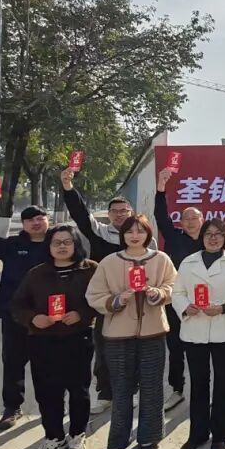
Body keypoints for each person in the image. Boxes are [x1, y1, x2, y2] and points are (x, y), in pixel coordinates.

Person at [86, 215, 177, 449]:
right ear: (122, 235)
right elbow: (94, 294)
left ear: (148, 234)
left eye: (140, 231)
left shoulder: (161, 259)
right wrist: (116, 300)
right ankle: (118, 438)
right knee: (121, 388)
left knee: (152, 386)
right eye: (129, 231)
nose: (135, 236)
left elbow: (174, 286)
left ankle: (149, 435)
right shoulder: (110, 262)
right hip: (118, 334)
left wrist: (159, 294)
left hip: (153, 331)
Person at [10, 225, 99, 449]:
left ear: (76, 244)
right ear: (48, 246)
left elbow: (101, 301)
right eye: (56, 242)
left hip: (77, 338)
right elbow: (17, 305)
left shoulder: (90, 270)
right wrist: (33, 318)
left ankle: (77, 434)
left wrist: (82, 314)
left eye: (67, 242)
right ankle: (54, 437)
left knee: (78, 391)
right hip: (42, 341)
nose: (62, 246)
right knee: (47, 392)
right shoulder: (37, 274)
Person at [171, 219, 225, 449]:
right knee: (198, 382)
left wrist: (224, 307)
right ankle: (197, 434)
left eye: (218, 234)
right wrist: (185, 307)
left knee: (223, 382)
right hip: (194, 330)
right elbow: (177, 292)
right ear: (202, 237)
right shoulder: (188, 262)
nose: (213, 238)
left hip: (223, 330)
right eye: (209, 233)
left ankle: (221, 434)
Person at [60, 169, 135, 415]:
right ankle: (105, 393)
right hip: (106, 302)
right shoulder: (99, 232)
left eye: (124, 211)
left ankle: (131, 391)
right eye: (115, 211)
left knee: (134, 348)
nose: (119, 215)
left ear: (131, 213)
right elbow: (80, 214)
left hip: (135, 301)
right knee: (104, 347)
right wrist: (68, 187)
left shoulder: (141, 236)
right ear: (109, 214)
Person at [0, 197, 51, 431]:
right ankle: (12, 407)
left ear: (47, 220)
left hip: (48, 314)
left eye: (40, 218)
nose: (36, 223)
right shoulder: (13, 246)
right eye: (30, 220)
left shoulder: (58, 244)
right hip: (14, 313)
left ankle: (50, 405)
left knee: (48, 362)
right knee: (13, 361)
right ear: (23, 224)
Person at [154, 167, 205, 412]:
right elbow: (160, 216)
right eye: (186, 218)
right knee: (175, 346)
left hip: (206, 301)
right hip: (178, 300)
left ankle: (202, 389)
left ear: (202, 220)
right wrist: (161, 188)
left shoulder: (211, 240)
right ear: (181, 222)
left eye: (195, 218)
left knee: (204, 347)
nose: (190, 222)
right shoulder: (174, 238)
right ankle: (177, 389)